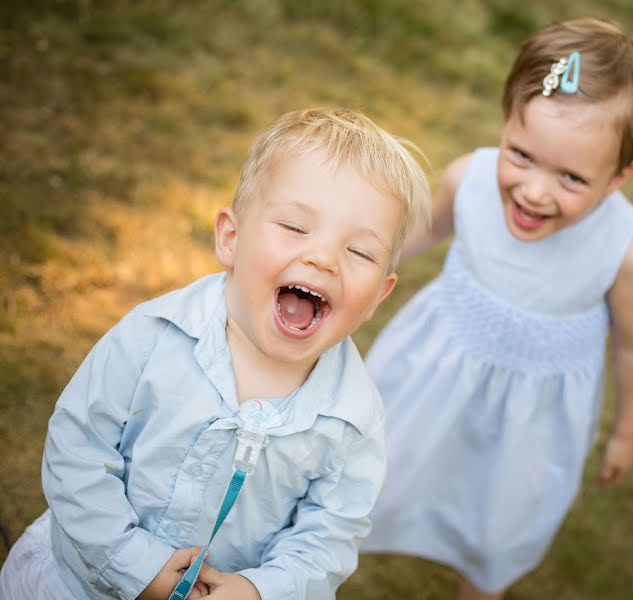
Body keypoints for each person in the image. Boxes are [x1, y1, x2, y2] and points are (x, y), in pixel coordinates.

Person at [0, 108, 431, 600]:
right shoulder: (154, 335)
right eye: (294, 226)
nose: (323, 258)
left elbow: (328, 539)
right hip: (75, 584)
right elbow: (78, 447)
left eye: (360, 252)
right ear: (231, 237)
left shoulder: (352, 419)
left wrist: (258, 590)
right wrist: (130, 563)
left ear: (379, 295)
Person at [360, 18, 633, 599]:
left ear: (620, 177)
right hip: (433, 372)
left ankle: (480, 584)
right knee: (381, 474)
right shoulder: (467, 180)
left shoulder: (627, 253)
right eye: (521, 155)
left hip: (533, 417)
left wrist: (626, 431)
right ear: (505, 125)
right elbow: (423, 230)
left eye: (572, 177)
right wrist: (359, 264)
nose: (535, 192)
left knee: (499, 525)